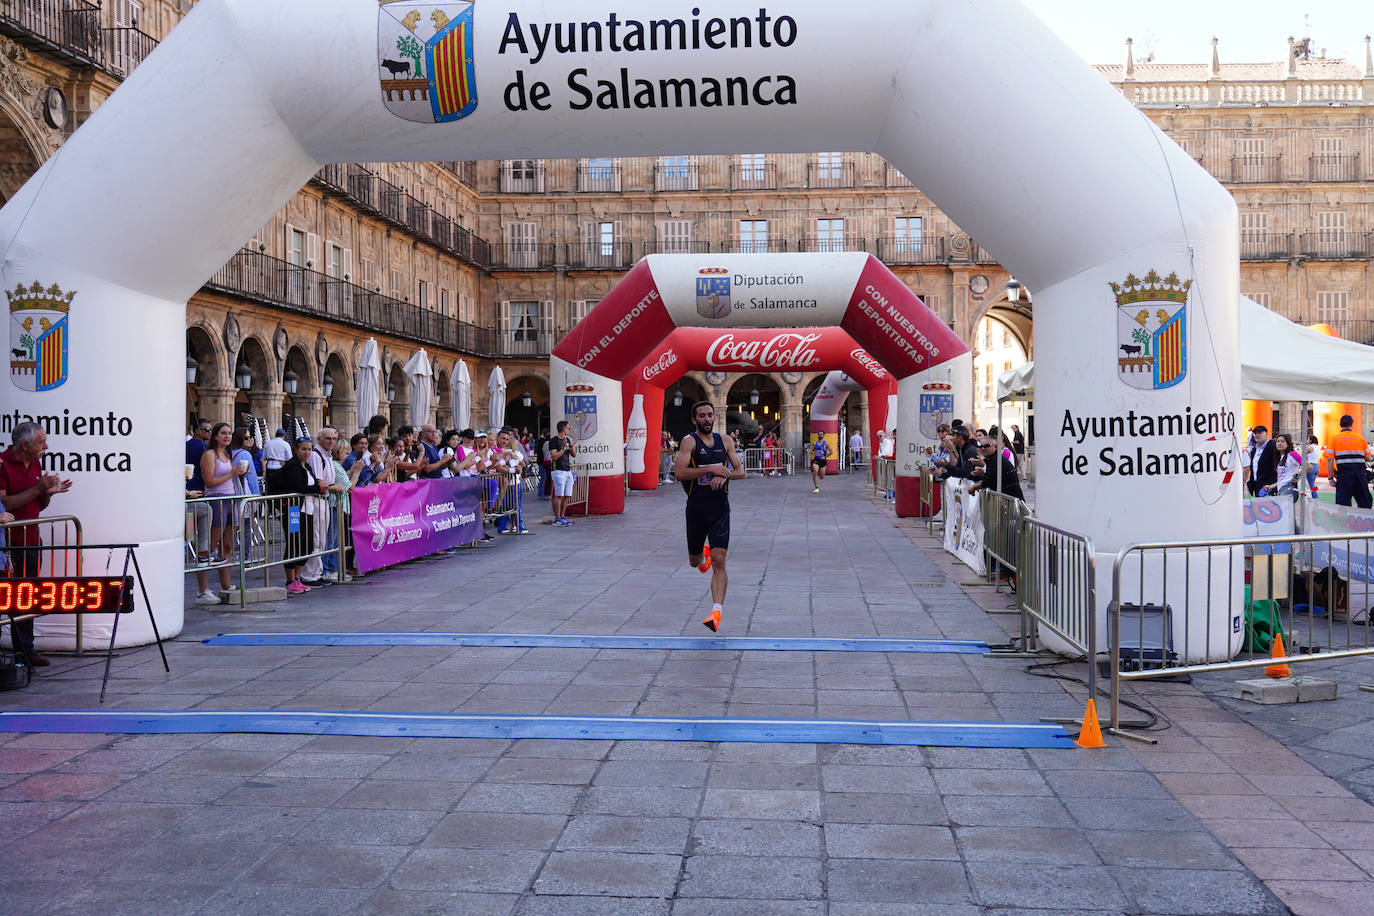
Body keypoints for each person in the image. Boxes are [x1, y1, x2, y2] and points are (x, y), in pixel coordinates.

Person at [0, 422, 73, 666]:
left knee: (28, 597)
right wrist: (38, 488)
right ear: (25, 444)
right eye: (41, 442)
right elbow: (6, 505)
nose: (46, 446)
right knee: (7, 598)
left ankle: (26, 649)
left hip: (32, 541)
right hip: (8, 546)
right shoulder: (2, 464)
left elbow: (39, 506)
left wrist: (47, 493)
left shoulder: (36, 463)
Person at [675, 402, 745, 632]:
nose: (707, 419)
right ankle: (700, 557)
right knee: (695, 561)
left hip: (720, 508)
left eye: (709, 415)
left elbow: (740, 471)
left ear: (714, 417)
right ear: (695, 420)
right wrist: (709, 470)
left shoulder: (725, 441)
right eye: (702, 416)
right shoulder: (689, 442)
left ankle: (716, 613)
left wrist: (725, 476)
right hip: (696, 509)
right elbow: (679, 473)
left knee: (720, 560)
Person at [200, 422, 247, 595]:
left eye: (229, 433)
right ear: (215, 436)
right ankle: (203, 589)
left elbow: (230, 477)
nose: (227, 436)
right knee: (209, 547)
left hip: (231, 500)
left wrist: (238, 473)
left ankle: (226, 585)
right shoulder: (210, 455)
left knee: (227, 545)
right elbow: (209, 481)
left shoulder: (228, 454)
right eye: (223, 433)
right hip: (216, 500)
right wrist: (231, 474)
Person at [268, 436, 319, 594]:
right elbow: (297, 486)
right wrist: (318, 489)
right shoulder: (292, 466)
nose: (307, 452)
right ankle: (290, 580)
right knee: (294, 543)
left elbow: (312, 483)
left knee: (307, 545)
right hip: (293, 510)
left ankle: (297, 578)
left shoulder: (307, 467)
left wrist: (318, 486)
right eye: (303, 449)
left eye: (309, 449)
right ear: (295, 449)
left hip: (307, 509)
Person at [301, 427, 340, 587]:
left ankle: (317, 572)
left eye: (333, 439)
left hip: (324, 499)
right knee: (316, 538)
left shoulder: (327, 456)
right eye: (328, 438)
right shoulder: (317, 456)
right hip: (317, 500)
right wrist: (333, 487)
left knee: (322, 539)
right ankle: (310, 574)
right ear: (320, 440)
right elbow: (319, 482)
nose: (332, 442)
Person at [1327, 414, 1372, 509]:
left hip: (1344, 475)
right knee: (1365, 503)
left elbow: (1330, 459)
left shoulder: (1334, 438)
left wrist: (1330, 478)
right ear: (1352, 424)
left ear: (1340, 424)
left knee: (1343, 505)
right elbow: (1369, 458)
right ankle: (1366, 523)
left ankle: (1344, 523)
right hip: (1360, 475)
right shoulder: (1361, 438)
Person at [549, 420, 577, 526]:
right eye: (568, 428)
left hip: (567, 470)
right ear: (563, 429)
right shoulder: (554, 441)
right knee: (559, 495)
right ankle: (557, 518)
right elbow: (554, 456)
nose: (569, 430)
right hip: (558, 471)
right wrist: (564, 448)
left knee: (567, 495)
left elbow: (574, 455)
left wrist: (571, 445)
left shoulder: (568, 440)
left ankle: (562, 516)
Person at [1245, 425, 1277, 497]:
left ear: (1265, 433)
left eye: (1259, 433)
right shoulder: (1254, 449)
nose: (1257, 435)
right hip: (1257, 484)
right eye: (1255, 433)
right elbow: (1253, 467)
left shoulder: (1273, 445)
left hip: (1269, 485)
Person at [1306, 435, 1322, 499]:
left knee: (1311, 485)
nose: (1307, 441)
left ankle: (1315, 498)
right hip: (1316, 466)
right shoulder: (1318, 447)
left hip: (1310, 466)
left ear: (1310, 440)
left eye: (1308, 439)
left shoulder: (1310, 447)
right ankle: (1314, 496)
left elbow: (1302, 454)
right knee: (1312, 484)